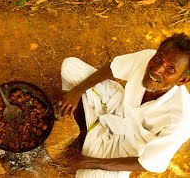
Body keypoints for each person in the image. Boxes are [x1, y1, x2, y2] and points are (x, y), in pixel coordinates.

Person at [59, 33, 190, 177]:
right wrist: (76, 92)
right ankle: (79, 126)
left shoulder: (181, 119)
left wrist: (90, 162)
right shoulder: (146, 57)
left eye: (170, 69)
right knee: (70, 66)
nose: (156, 69)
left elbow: (146, 164)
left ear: (182, 79)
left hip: (124, 148)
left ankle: (91, 137)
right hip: (117, 106)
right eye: (158, 57)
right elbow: (112, 68)